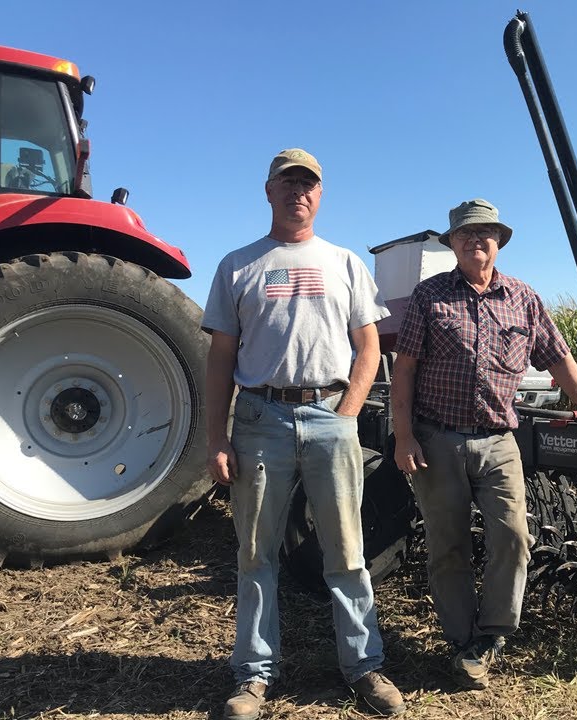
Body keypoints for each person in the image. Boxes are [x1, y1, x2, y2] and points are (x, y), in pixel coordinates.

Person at [391, 198, 577, 690]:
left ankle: (492, 634)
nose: (475, 241)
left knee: (513, 536)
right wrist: (402, 436)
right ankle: (462, 640)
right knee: (448, 546)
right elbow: (404, 370)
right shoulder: (429, 296)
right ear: (453, 243)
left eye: (485, 233)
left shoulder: (522, 297)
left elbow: (558, 357)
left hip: (499, 440)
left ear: (499, 240)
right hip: (436, 438)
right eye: (465, 234)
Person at [203, 149, 405, 719]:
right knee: (255, 553)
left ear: (321, 195)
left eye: (309, 185)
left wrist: (347, 412)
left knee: (346, 552)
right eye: (288, 183)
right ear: (267, 192)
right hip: (259, 420)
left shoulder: (344, 263)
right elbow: (220, 358)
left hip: (329, 418)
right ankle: (252, 676)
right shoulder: (238, 265)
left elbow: (369, 347)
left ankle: (364, 667)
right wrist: (217, 437)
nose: (299, 192)